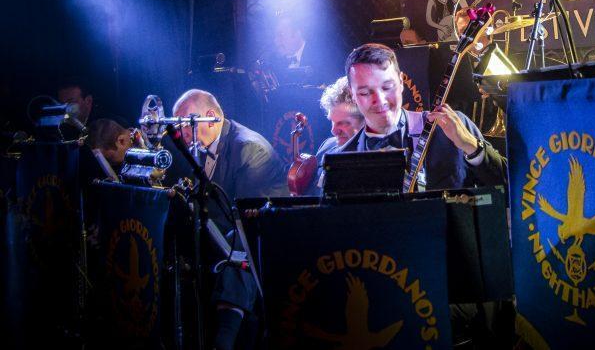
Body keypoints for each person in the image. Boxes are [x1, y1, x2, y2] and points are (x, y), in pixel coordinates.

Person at [171, 89, 289, 350]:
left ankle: (224, 339)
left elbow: (246, 220)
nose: (181, 133)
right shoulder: (200, 146)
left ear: (211, 117)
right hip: (222, 233)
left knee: (236, 251)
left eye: (186, 125)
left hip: (261, 238)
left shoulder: (249, 149)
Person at [319, 43, 506, 191]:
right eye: (366, 92)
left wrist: (471, 147)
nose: (380, 100)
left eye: (387, 87)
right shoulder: (341, 160)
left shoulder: (446, 128)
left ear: (401, 82)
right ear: (353, 95)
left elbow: (512, 186)